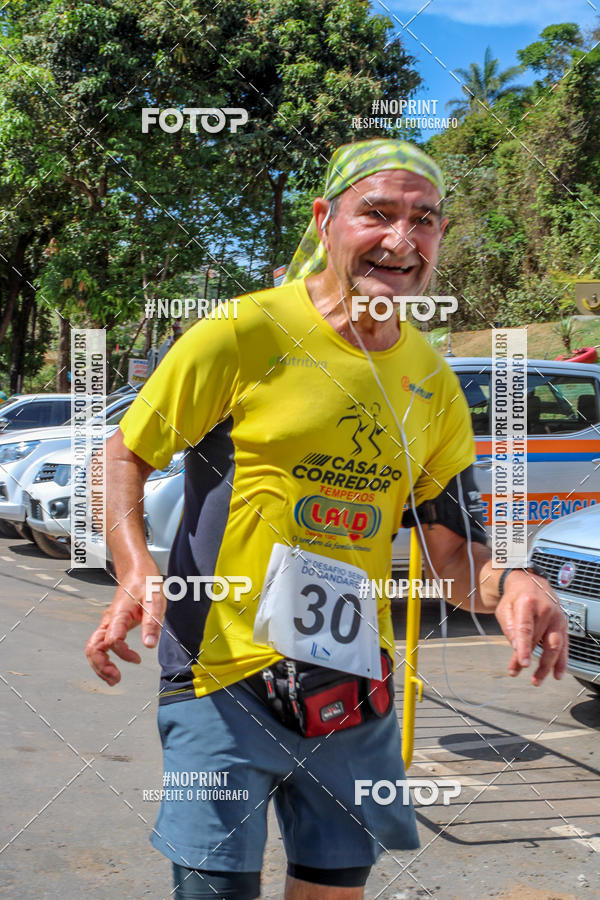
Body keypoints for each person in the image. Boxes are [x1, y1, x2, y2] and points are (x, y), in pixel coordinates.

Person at [86, 139, 567, 900]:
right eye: (376, 213)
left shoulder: (432, 384)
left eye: (425, 220)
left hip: (351, 688)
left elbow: (453, 557)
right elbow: (123, 454)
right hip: (221, 674)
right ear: (327, 219)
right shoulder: (244, 333)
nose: (401, 241)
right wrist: (134, 566)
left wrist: (509, 582)